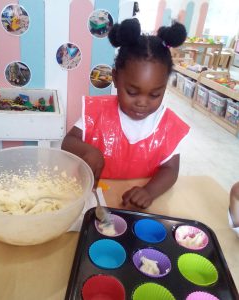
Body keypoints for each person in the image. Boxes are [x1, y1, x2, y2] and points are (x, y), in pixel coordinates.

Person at [61, 18, 189, 209]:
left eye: (155, 94)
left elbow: (170, 170)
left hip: (137, 208)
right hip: (96, 202)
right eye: (132, 92)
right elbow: (68, 142)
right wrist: (88, 150)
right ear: (115, 78)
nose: (142, 102)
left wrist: (149, 191)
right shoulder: (98, 113)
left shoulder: (167, 125)